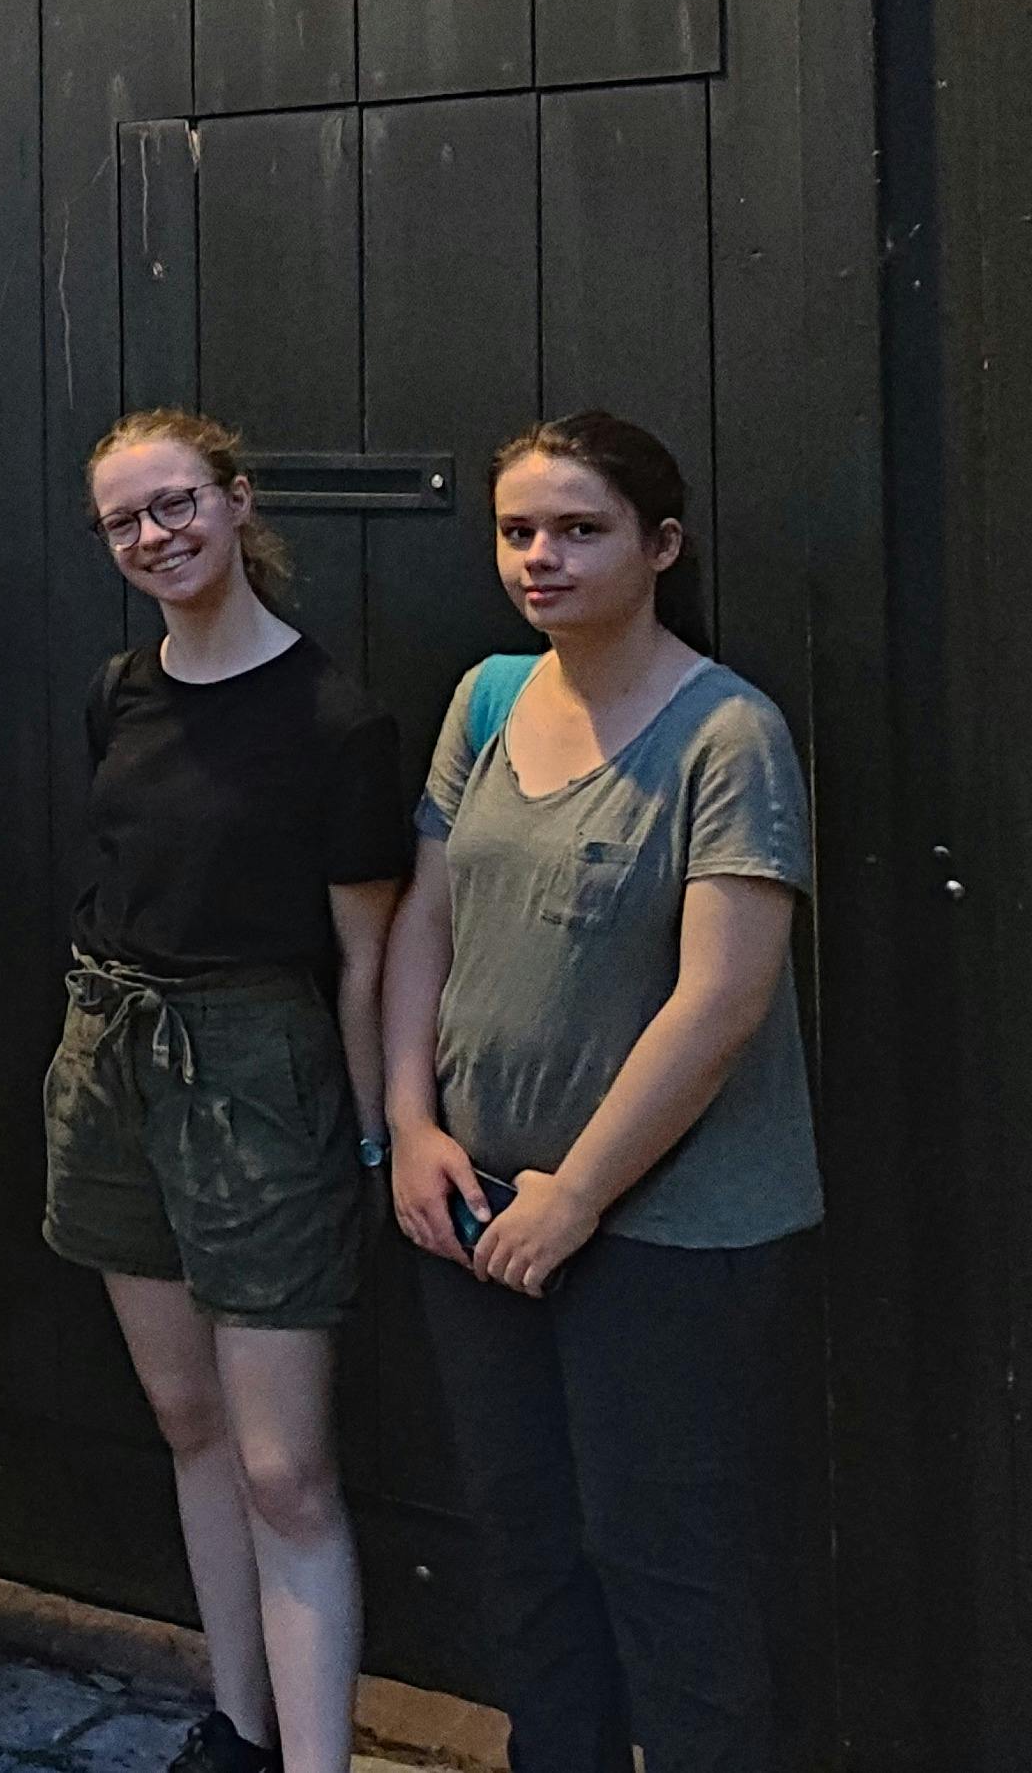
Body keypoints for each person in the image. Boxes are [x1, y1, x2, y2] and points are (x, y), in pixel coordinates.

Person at [381, 415, 821, 1773]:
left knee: (666, 1560)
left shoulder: (727, 732)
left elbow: (722, 999)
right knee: (526, 1547)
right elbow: (425, 922)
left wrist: (577, 1195)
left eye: (580, 528)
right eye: (519, 529)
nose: (541, 555)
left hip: (667, 1231)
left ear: (660, 544)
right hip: (476, 1203)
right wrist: (406, 1122)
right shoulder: (492, 697)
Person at [51, 411, 403, 1773]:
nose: (157, 534)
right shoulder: (117, 691)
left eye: (177, 502)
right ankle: (238, 1731)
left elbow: (365, 959)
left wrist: (369, 1142)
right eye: (126, 519)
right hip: (112, 1049)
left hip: (262, 1074)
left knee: (285, 1468)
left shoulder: (336, 719)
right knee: (188, 1419)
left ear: (236, 499)